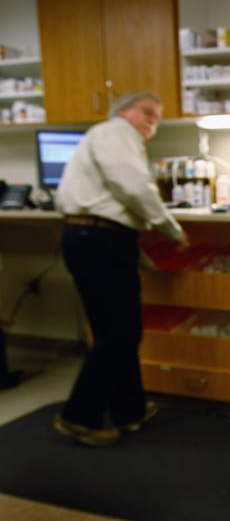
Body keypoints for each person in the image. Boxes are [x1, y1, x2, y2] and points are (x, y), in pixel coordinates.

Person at [53, 91, 188, 447]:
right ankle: (79, 417)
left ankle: (130, 410)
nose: (151, 122)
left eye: (157, 118)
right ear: (123, 111)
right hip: (98, 239)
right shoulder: (116, 132)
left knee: (119, 331)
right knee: (119, 334)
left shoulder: (108, 137)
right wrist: (170, 228)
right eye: (146, 113)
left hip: (96, 239)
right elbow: (132, 186)